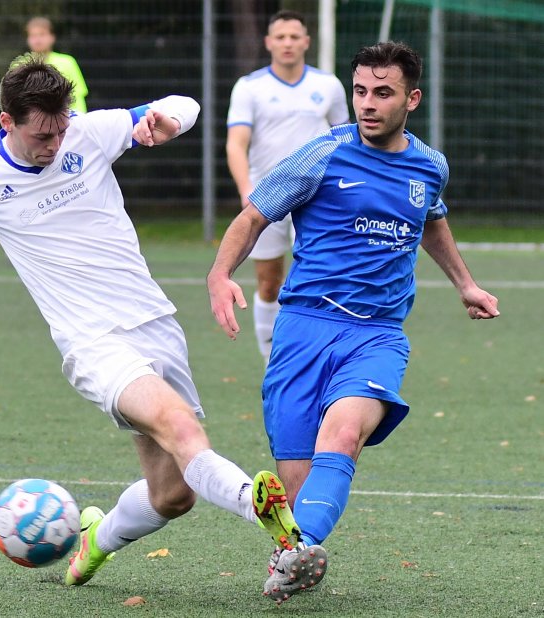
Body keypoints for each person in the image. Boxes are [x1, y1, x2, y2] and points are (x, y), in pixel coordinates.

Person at [0, 56, 302, 590]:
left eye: (61, 129)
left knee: (173, 494)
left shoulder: (89, 133)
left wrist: (166, 121)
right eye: (41, 135)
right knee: (182, 428)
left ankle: (93, 543)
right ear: (7, 122)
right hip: (94, 343)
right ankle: (269, 518)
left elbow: (184, 105)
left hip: (156, 324)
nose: (54, 144)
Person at [208, 41, 500, 604]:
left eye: (383, 93)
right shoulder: (320, 156)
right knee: (294, 490)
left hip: (378, 335)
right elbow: (253, 215)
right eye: (361, 90)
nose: (368, 103)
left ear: (411, 99)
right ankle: (294, 548)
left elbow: (431, 220)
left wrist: (465, 283)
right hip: (303, 329)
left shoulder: (429, 165)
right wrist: (220, 274)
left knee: (343, 433)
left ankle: (297, 550)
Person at [226, 9, 349, 364]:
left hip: (317, 200)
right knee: (268, 284)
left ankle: (318, 355)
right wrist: (246, 188)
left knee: (316, 279)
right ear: (268, 43)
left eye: (295, 37)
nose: (288, 43)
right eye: (280, 37)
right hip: (267, 199)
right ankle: (272, 362)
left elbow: (346, 140)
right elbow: (236, 143)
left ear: (306, 42)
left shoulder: (327, 85)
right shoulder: (250, 87)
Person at [26, 16, 89, 113]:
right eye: (33, 36)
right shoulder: (20, 66)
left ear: (52, 37)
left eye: (42, 34)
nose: (37, 40)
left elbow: (78, 97)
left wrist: (78, 121)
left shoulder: (67, 62)